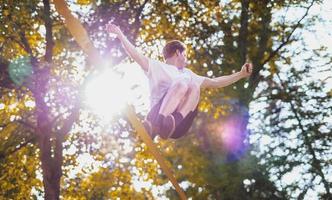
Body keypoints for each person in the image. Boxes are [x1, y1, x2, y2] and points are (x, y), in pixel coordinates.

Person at [106, 23, 253, 140]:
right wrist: (119, 34)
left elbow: (215, 82)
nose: (187, 60)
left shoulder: (189, 74)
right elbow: (135, 55)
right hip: (156, 115)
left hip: (179, 125)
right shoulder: (157, 67)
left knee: (193, 86)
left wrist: (240, 75)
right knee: (182, 84)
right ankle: (157, 123)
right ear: (178, 52)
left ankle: (170, 122)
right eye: (186, 55)